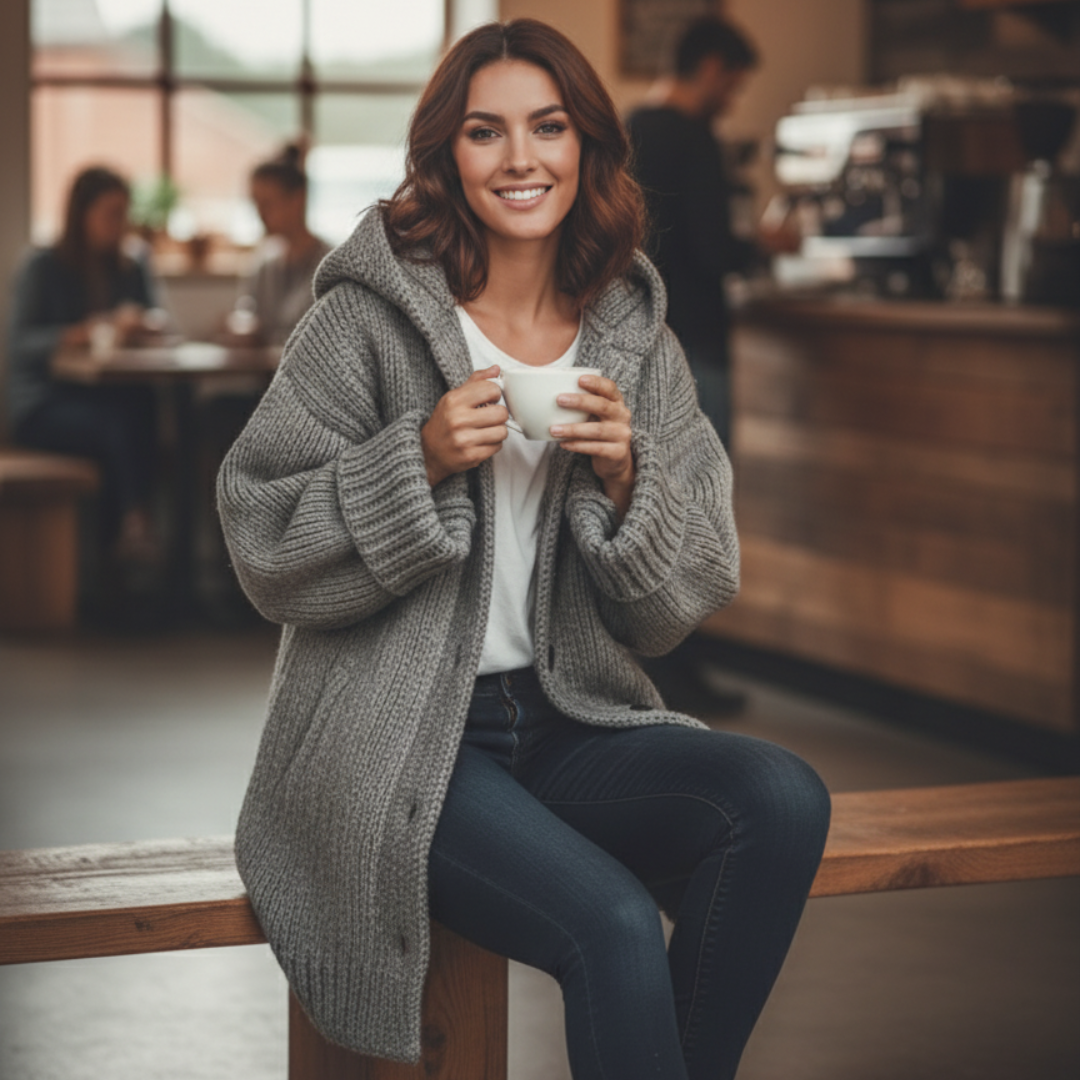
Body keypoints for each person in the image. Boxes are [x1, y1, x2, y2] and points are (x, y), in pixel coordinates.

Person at [218, 19, 830, 1080]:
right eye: (485, 132)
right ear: (446, 156)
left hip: (569, 718)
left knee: (781, 799)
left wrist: (632, 484)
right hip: (400, 737)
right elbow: (260, 535)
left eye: (548, 128)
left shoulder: (632, 331)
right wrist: (415, 459)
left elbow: (687, 595)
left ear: (586, 144)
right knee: (612, 923)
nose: (521, 159)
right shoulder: (366, 320)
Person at [7, 165, 160, 562]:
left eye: (124, 214)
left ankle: (128, 540)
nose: (120, 224)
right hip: (43, 404)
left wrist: (141, 327)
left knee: (141, 406)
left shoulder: (130, 266)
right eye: (111, 213)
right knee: (115, 427)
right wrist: (80, 332)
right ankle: (132, 529)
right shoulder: (44, 265)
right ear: (82, 214)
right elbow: (20, 343)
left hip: (109, 397)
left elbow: (160, 320)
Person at [627, 15, 765, 450]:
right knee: (703, 489)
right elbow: (714, 250)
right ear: (710, 68)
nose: (731, 102)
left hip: (635, 336)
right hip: (696, 342)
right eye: (732, 86)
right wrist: (764, 247)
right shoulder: (696, 140)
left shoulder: (624, 129)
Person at [232, 145, 331, 345]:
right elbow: (245, 311)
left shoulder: (330, 264)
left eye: (267, 204)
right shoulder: (265, 265)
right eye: (256, 205)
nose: (260, 214)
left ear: (298, 200)